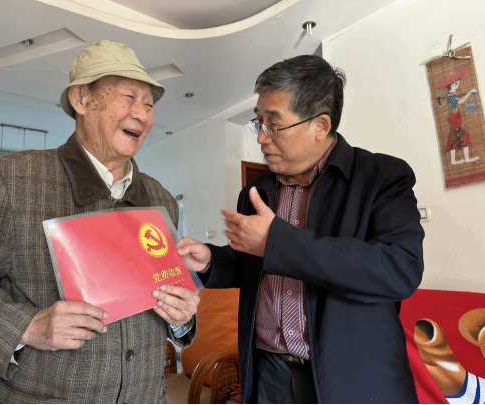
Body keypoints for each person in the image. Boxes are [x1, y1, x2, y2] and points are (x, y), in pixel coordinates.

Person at [0, 40, 199, 403]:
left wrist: (182, 318)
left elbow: (169, 298)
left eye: (149, 104)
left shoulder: (161, 200)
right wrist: (27, 327)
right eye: (129, 97)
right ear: (81, 99)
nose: (143, 115)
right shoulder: (11, 181)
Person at [177, 55, 425, 404]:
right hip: (268, 376)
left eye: (274, 125)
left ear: (320, 126)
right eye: (258, 122)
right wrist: (210, 261)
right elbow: (249, 263)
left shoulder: (381, 177)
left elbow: (400, 269)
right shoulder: (257, 190)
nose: (261, 137)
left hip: (352, 382)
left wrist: (277, 242)